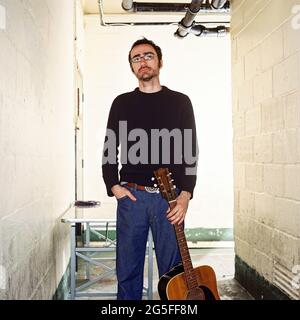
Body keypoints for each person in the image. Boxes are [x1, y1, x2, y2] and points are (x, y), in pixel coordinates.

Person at [102, 38, 198, 300]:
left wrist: (185, 195)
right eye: (136, 58)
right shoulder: (121, 103)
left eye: (148, 56)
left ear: (160, 61)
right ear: (132, 67)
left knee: (173, 272)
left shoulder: (180, 102)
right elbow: (110, 147)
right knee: (128, 270)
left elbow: (190, 150)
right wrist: (114, 186)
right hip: (132, 198)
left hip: (170, 199)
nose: (142, 61)